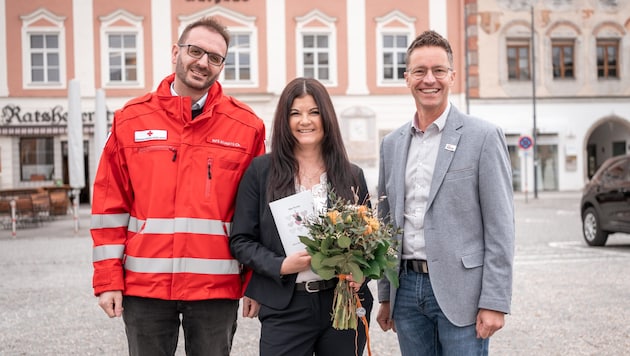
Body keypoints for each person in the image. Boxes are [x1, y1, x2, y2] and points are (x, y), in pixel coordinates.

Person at [90, 17, 266, 356]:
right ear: (176, 52)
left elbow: (256, 214)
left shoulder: (246, 127)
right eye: (195, 51)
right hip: (146, 286)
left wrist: (254, 283)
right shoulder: (131, 119)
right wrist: (108, 280)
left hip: (215, 289)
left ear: (222, 65)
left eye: (214, 57)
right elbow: (110, 207)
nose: (203, 62)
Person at [376, 30, 515, 355]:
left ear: (452, 76)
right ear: (406, 77)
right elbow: (384, 225)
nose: (430, 79)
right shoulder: (392, 144)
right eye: (420, 71)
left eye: (438, 70)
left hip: (462, 292)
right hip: (407, 290)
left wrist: (495, 301)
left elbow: (501, 228)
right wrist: (386, 294)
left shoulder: (483, 137)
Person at [229, 77, 373, 356]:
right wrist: (281, 265)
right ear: (285, 119)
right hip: (286, 305)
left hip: (341, 304)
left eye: (313, 112)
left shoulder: (351, 174)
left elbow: (367, 243)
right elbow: (241, 240)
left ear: (326, 117)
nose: (304, 121)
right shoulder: (261, 172)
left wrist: (361, 273)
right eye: (295, 113)